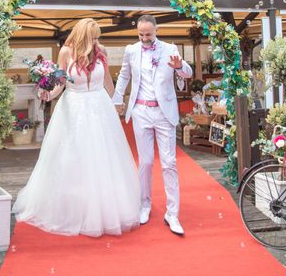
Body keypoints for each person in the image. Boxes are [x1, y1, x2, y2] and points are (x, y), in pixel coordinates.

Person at [13, 18, 140, 237]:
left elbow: (107, 79)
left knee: (102, 158)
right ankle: (72, 208)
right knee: (72, 157)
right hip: (73, 108)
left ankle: (103, 208)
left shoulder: (101, 52)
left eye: (98, 37)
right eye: (94, 37)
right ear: (83, 36)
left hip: (100, 107)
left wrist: (116, 101)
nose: (97, 41)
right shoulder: (66, 52)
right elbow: (61, 82)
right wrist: (48, 94)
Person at [113, 14, 193, 235]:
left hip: (164, 112)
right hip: (140, 111)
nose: (144, 38)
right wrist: (117, 99)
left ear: (156, 31)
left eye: (148, 34)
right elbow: (123, 76)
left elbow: (188, 72)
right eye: (140, 34)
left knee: (169, 163)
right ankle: (144, 204)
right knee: (145, 162)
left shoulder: (169, 48)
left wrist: (180, 67)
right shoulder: (131, 50)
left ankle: (172, 213)